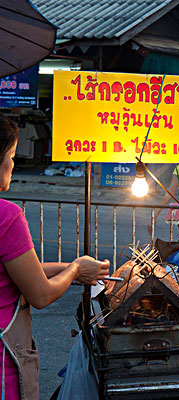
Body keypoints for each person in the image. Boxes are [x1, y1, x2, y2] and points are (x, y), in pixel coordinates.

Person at [0, 115, 110, 400]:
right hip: (3, 366)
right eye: (11, 156)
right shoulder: (7, 217)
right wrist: (74, 270)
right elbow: (40, 294)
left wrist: (76, 269)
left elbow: (17, 269)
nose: (14, 164)